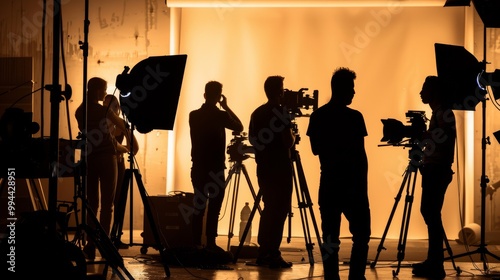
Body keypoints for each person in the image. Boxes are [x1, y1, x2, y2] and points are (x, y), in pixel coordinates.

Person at [306, 67, 371, 280]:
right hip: (353, 186)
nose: (354, 92)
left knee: (330, 238)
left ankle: (331, 277)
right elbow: (361, 156)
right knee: (361, 235)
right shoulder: (355, 118)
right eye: (351, 88)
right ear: (342, 89)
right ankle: (356, 277)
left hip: (330, 184)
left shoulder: (317, 117)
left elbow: (316, 150)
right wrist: (363, 188)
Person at [75, 77, 131, 260]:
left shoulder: (79, 111)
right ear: (97, 90)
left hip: (89, 158)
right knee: (108, 205)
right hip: (107, 158)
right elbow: (121, 124)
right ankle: (105, 244)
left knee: (92, 204)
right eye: (104, 90)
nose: (106, 93)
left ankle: (91, 244)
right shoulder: (103, 110)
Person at [189, 81, 243, 254]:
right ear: (219, 96)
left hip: (198, 166)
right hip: (216, 168)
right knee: (214, 207)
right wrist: (226, 106)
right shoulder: (220, 115)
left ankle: (196, 243)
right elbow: (239, 126)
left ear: (204, 95)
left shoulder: (193, 115)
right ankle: (211, 243)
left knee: (199, 206)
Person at [248, 75, 295, 268]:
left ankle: (263, 252)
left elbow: (252, 139)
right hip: (281, 168)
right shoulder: (281, 112)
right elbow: (288, 142)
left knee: (268, 209)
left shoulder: (257, 112)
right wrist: (291, 132)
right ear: (279, 91)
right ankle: (273, 253)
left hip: (264, 167)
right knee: (280, 210)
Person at [411, 75, 456, 279]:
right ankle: (434, 260)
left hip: (437, 170)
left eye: (424, 89)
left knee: (430, 212)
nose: (421, 93)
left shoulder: (444, 113)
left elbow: (443, 139)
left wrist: (423, 136)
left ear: (433, 92)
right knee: (430, 212)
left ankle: (436, 263)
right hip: (435, 168)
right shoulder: (439, 112)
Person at [103, 94, 139, 249]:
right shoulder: (102, 124)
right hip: (106, 163)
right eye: (107, 107)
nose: (110, 110)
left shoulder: (120, 124)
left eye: (114, 107)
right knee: (106, 201)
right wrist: (123, 149)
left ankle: (115, 235)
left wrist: (121, 149)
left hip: (118, 164)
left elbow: (134, 148)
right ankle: (105, 234)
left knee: (118, 200)